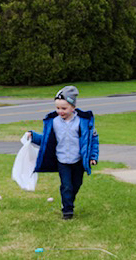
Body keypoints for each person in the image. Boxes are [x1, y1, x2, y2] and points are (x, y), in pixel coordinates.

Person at [28, 86, 99, 220]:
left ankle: (68, 201)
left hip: (78, 160)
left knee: (76, 185)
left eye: (64, 108)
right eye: (58, 108)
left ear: (73, 107)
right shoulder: (54, 122)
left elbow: (92, 139)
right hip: (62, 161)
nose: (60, 111)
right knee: (66, 185)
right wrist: (33, 136)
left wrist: (93, 156)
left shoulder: (83, 122)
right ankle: (67, 210)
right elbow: (46, 139)